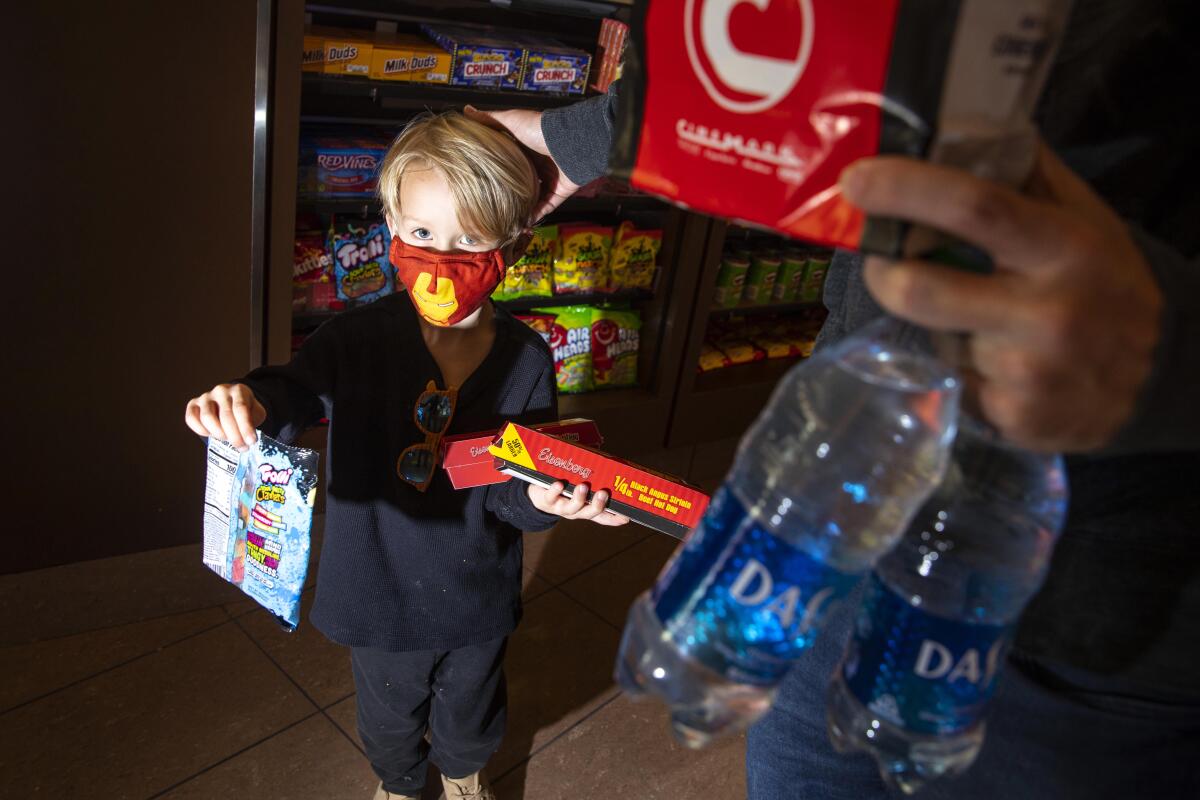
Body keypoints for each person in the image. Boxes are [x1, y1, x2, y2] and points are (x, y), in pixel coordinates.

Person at [471, 2, 1200, 793]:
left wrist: (1171, 360)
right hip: (855, 527)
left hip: (1112, 643)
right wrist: (581, 142)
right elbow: (826, 53)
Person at [184, 111, 628, 800]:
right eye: (421, 233)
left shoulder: (527, 357)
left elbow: (514, 480)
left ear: (514, 239)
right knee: (389, 716)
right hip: (378, 590)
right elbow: (294, 391)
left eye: (470, 238)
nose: (442, 256)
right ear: (391, 222)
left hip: (476, 589)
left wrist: (542, 499)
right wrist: (246, 402)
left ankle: (462, 776)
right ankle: (397, 785)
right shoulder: (355, 340)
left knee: (472, 709)